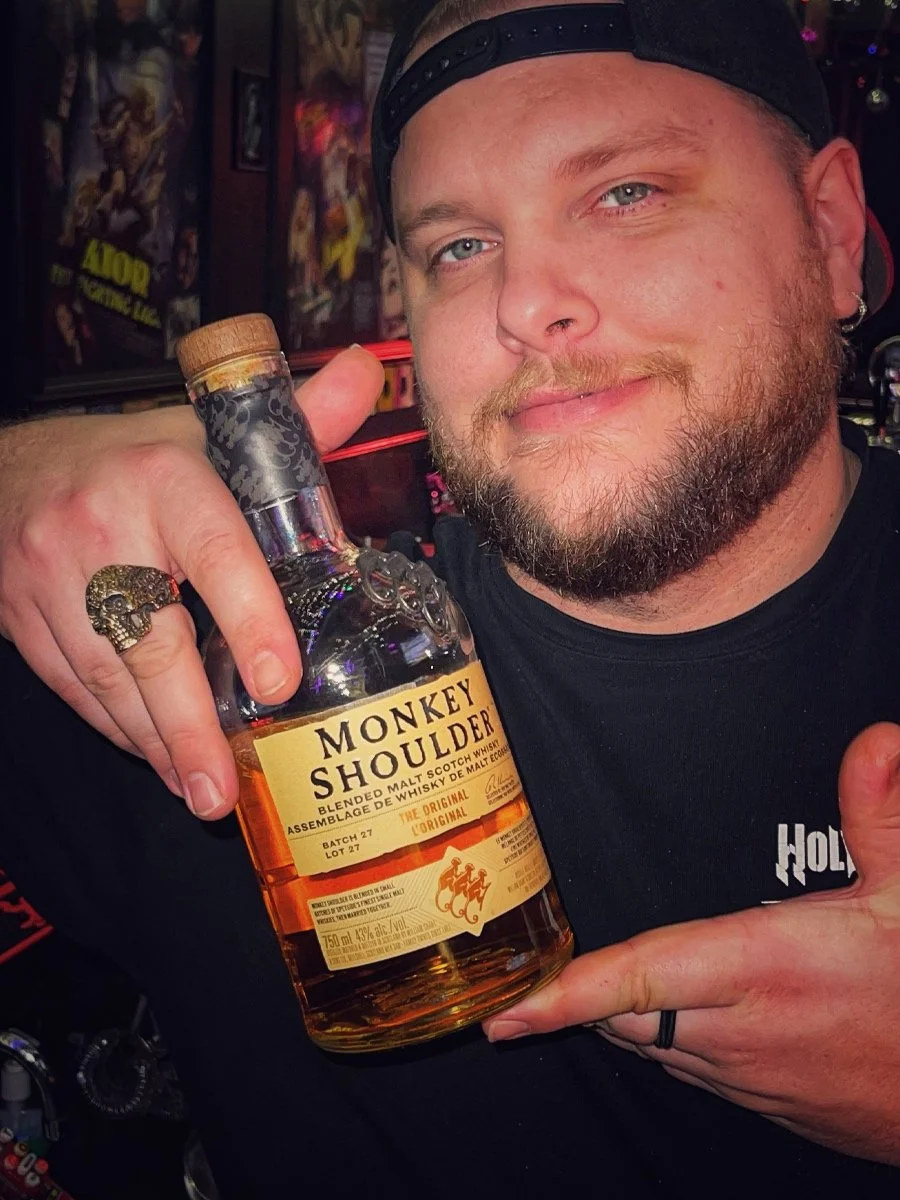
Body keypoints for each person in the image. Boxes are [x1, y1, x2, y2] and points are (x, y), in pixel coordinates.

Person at [1, 0, 900, 1195]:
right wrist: (14, 475)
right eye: (461, 247)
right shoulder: (205, 678)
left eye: (627, 193)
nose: (526, 303)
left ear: (830, 228)